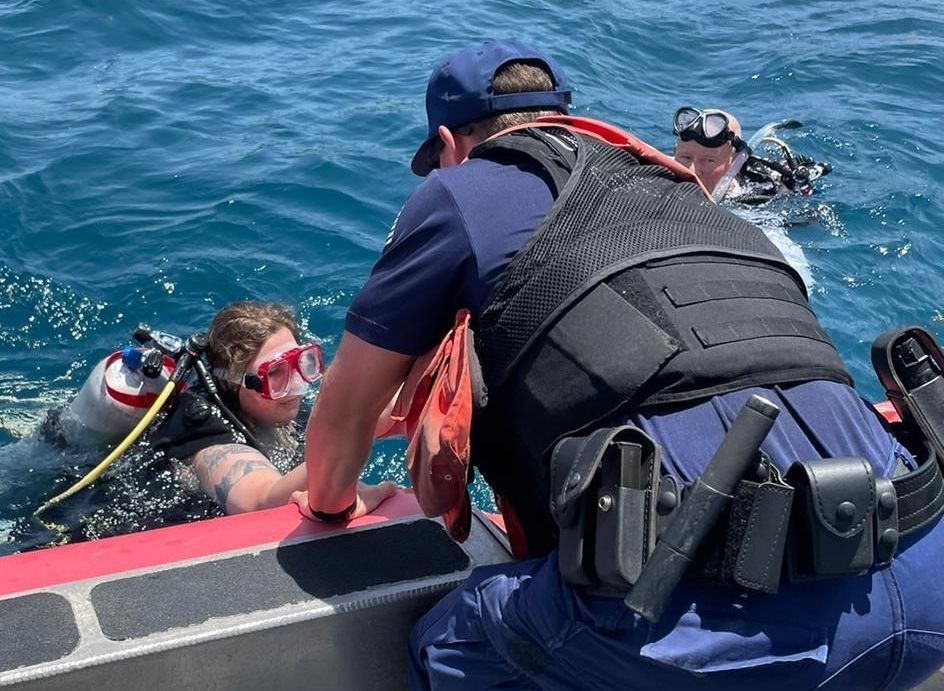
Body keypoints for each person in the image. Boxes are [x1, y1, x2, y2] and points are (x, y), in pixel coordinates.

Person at [300, 40, 944, 690]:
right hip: (925, 567)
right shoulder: (681, 190)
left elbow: (343, 413)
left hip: (739, 637)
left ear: (449, 142)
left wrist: (333, 503)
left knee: (451, 643)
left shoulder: (458, 191)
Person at [69, 301, 395, 540]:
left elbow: (387, 410)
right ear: (235, 382)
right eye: (276, 375)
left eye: (303, 363)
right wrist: (357, 429)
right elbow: (261, 499)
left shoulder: (275, 406)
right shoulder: (209, 441)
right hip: (96, 532)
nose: (297, 385)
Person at [673, 106, 832, 205]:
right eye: (686, 158)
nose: (692, 170)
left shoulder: (756, 191)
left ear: (734, 162)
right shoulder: (657, 173)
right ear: (675, 151)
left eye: (708, 161)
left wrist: (796, 189)